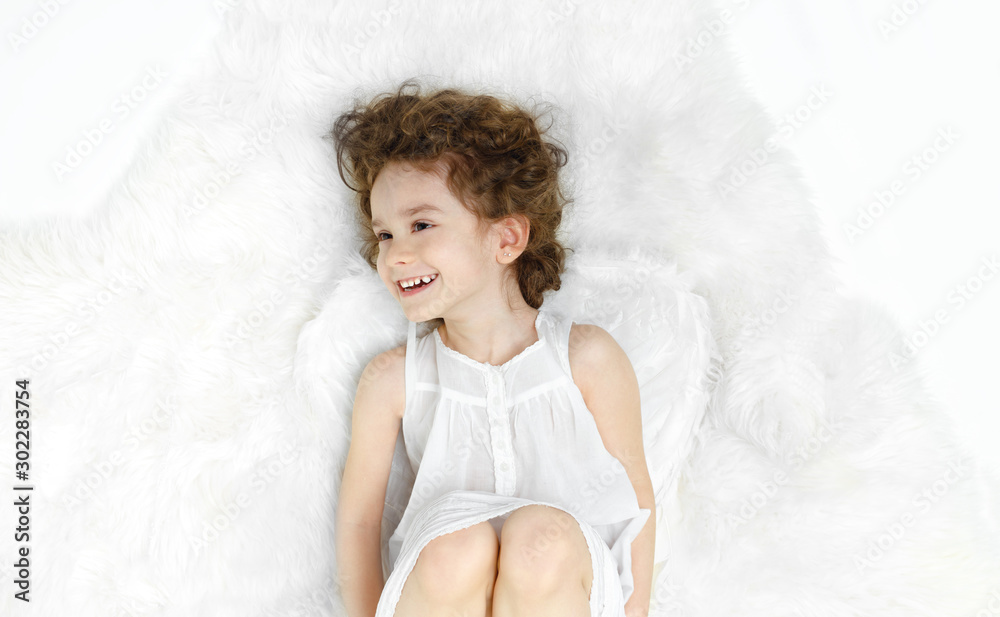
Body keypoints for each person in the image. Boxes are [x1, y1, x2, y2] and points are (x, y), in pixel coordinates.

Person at [330, 79, 655, 617]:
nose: (395, 255)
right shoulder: (393, 380)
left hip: (565, 583)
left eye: (421, 224)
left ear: (507, 239)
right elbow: (360, 523)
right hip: (441, 586)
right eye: (384, 235)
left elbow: (635, 503)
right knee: (456, 546)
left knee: (540, 540)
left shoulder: (587, 359)